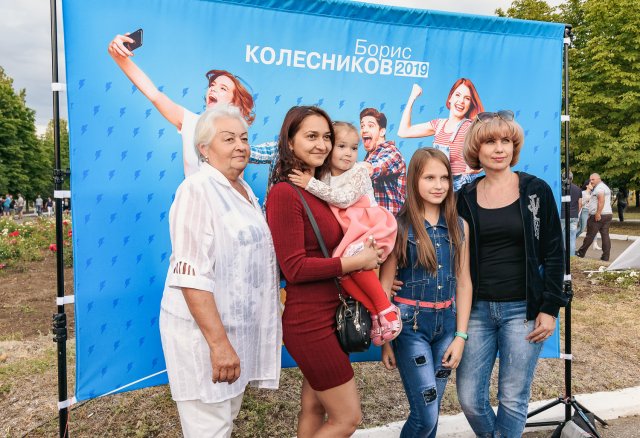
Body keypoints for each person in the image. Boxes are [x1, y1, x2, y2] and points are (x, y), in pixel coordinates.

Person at [158, 105, 281, 438]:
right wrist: (219, 345)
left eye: (244, 138)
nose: (240, 146)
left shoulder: (243, 190)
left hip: (235, 334)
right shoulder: (197, 190)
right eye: (228, 139)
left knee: (222, 423)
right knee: (210, 428)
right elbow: (191, 275)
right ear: (204, 148)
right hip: (205, 340)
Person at [266, 106, 383, 437]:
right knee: (347, 418)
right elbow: (294, 267)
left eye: (327, 137)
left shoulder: (318, 189)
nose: (322, 145)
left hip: (330, 314)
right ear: (290, 142)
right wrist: (354, 263)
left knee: (314, 408)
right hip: (309, 322)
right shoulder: (285, 193)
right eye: (311, 136)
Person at [455, 110, 567, 437]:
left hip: (524, 310)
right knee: (470, 398)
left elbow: (554, 252)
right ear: (476, 148)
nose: (499, 148)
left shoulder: (535, 190)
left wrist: (550, 308)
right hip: (476, 311)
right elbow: (443, 247)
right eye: (490, 141)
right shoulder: (464, 197)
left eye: (506, 140)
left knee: (513, 398)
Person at [379, 148, 473, 437]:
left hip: (447, 327)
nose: (439, 185)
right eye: (429, 177)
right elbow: (384, 286)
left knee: (432, 412)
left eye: (444, 178)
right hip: (410, 328)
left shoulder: (459, 226)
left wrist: (460, 336)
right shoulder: (399, 226)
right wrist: (386, 341)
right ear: (414, 181)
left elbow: (464, 282)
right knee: (426, 414)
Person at [289, 121, 400, 346]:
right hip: (353, 232)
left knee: (355, 259)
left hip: (371, 226)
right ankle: (375, 313)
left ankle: (386, 309)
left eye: (354, 148)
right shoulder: (324, 176)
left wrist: (310, 184)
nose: (348, 153)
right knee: (342, 272)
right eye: (341, 146)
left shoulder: (358, 171)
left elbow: (344, 199)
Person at [108, 33, 276, 178]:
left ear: (234, 103)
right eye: (212, 85)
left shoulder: (238, 137)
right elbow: (154, 94)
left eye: (223, 88)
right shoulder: (191, 122)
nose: (213, 89)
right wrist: (119, 57)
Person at [398, 78, 485, 191]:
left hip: (459, 189)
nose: (461, 101)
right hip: (439, 186)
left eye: (467, 98)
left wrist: (480, 166)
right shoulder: (438, 125)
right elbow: (403, 132)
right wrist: (412, 97)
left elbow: (489, 149)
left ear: (470, 104)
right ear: (450, 98)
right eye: (458, 95)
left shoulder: (469, 127)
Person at [360, 107, 406, 215]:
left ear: (382, 131)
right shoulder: (369, 157)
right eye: (362, 126)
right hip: (373, 221)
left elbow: (376, 168)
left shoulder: (392, 152)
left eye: (370, 126)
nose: (364, 130)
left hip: (392, 222)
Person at [576, 173, 613, 261]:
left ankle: (581, 253)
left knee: (590, 235)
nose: (591, 181)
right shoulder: (604, 187)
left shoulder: (599, 188)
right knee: (605, 235)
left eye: (593, 179)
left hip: (599, 215)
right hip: (608, 214)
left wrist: (598, 213)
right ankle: (605, 256)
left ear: (598, 179)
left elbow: (601, 201)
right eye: (590, 179)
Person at [560, 172, 582, 256]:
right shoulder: (578, 189)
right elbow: (580, 204)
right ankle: (571, 257)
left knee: (561, 237)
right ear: (572, 178)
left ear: (562, 178)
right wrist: (576, 212)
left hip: (562, 215)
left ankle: (563, 255)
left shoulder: (560, 188)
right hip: (573, 216)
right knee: (572, 238)